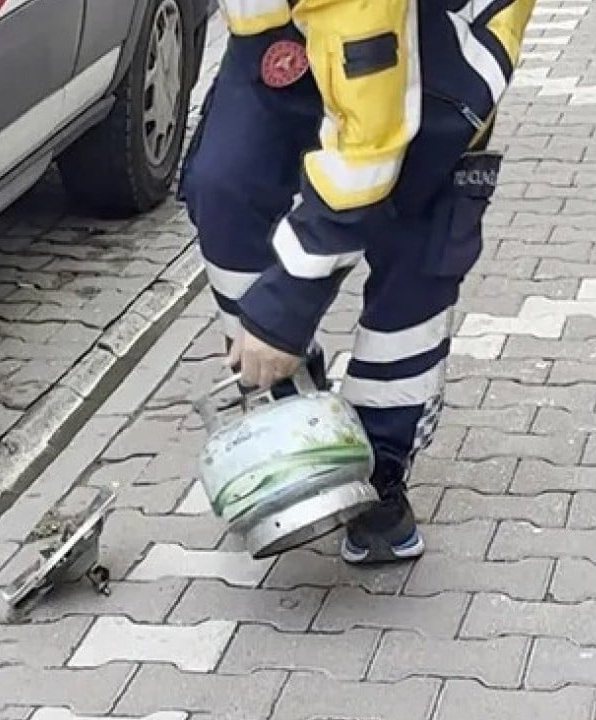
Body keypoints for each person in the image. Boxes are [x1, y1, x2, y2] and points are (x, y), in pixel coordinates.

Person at [178, 0, 535, 564]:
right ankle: (292, 408)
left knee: (417, 256)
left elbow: (369, 145)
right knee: (224, 184)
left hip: (440, 46)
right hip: (279, 28)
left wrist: (287, 306)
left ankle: (379, 474)